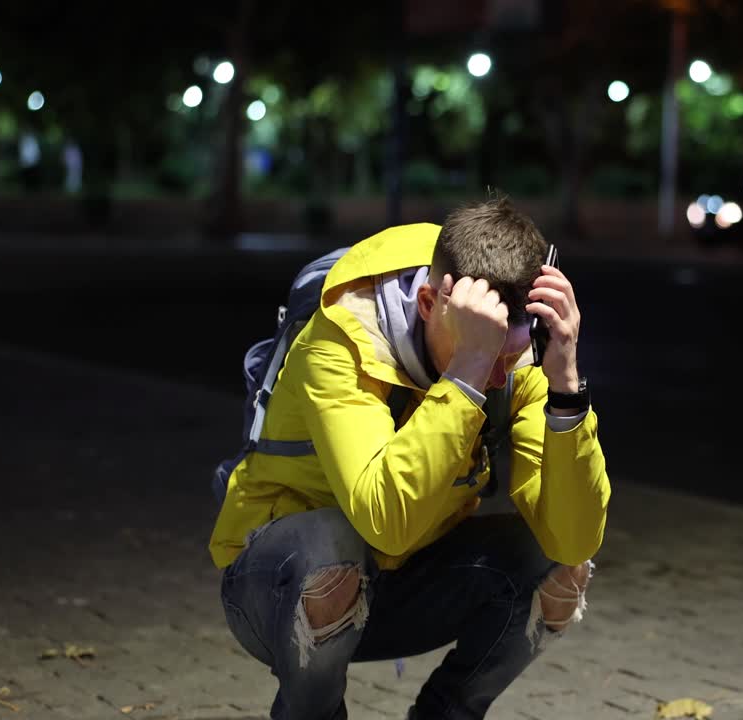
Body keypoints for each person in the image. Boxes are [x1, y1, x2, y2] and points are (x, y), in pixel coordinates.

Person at [208, 197, 610, 719]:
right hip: (279, 592)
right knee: (331, 545)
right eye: (488, 356)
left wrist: (565, 391)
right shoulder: (340, 338)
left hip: (400, 584)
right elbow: (386, 524)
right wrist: (466, 371)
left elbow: (575, 537)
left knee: (560, 566)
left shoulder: (517, 351)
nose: (498, 377)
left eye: (507, 358)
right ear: (427, 303)